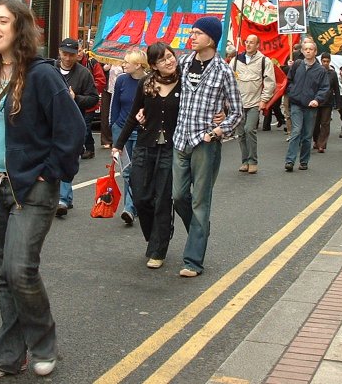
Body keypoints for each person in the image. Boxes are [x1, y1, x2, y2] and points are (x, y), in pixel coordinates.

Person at [0, 0, 85, 379]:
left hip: (31, 189)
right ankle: (11, 353)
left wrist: (47, 173)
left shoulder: (42, 75)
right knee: (3, 273)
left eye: (4, 21)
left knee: (20, 270)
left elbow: (72, 130)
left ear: (21, 28)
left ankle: (42, 343)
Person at [172, 16, 242, 277]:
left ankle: (193, 261)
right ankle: (200, 230)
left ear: (211, 39)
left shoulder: (224, 71)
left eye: (197, 33)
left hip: (205, 143)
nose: (192, 36)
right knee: (178, 196)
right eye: (192, 32)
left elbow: (237, 112)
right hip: (180, 139)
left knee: (201, 201)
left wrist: (218, 130)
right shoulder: (182, 63)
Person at [112, 42, 179, 269]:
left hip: (170, 149)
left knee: (162, 198)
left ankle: (158, 249)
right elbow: (133, 115)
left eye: (170, 56)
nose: (169, 61)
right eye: (162, 60)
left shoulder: (185, 83)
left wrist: (220, 115)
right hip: (144, 146)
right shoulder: (146, 83)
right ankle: (157, 234)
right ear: (153, 65)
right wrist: (118, 145)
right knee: (140, 196)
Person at [54, 38, 98, 215]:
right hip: (51, 122)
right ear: (59, 52)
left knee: (66, 159)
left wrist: (76, 98)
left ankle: (63, 199)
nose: (67, 58)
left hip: (73, 122)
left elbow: (93, 98)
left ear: (77, 55)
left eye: (71, 55)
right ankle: (58, 198)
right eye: (64, 54)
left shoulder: (84, 73)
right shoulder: (51, 69)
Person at [110, 49, 148, 225]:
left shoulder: (149, 82)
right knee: (126, 171)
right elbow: (115, 104)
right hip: (122, 129)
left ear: (138, 65)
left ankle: (133, 205)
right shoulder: (121, 80)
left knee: (138, 170)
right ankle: (130, 208)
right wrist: (114, 125)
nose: (123, 64)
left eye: (126, 62)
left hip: (140, 131)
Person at [231, 34, 276, 173]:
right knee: (241, 133)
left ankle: (253, 161)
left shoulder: (264, 61)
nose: (248, 44)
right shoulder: (235, 60)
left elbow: (270, 83)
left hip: (254, 103)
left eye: (252, 42)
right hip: (238, 104)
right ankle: (244, 161)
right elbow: (228, 79)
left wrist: (264, 100)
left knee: (249, 129)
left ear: (257, 45)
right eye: (247, 42)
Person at [283, 40, 330, 171]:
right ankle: (290, 161)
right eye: (306, 49)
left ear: (315, 52)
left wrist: (317, 100)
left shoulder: (320, 70)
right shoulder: (297, 65)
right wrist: (292, 92)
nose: (308, 51)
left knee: (307, 135)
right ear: (302, 51)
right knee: (296, 131)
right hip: (297, 104)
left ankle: (304, 161)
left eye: (311, 49)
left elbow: (324, 88)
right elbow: (289, 80)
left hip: (310, 107)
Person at [78, 44, 106, 159]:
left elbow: (101, 81)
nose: (78, 54)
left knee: (85, 126)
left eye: (79, 51)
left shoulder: (92, 62)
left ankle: (81, 149)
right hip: (74, 102)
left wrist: (88, 89)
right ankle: (89, 148)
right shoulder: (68, 64)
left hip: (89, 102)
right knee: (83, 127)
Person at [311, 52, 339, 153]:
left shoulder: (333, 74)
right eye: (324, 61)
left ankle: (322, 144)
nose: (325, 63)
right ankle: (316, 140)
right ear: (321, 61)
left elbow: (336, 88)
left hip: (328, 102)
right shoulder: (316, 72)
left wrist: (338, 104)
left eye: (327, 61)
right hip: (317, 101)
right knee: (315, 123)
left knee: (325, 123)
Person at [99, 61, 123, 149]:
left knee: (119, 113)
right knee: (105, 114)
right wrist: (105, 67)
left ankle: (119, 139)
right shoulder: (106, 59)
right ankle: (106, 140)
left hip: (121, 90)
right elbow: (100, 73)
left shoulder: (126, 60)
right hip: (108, 90)